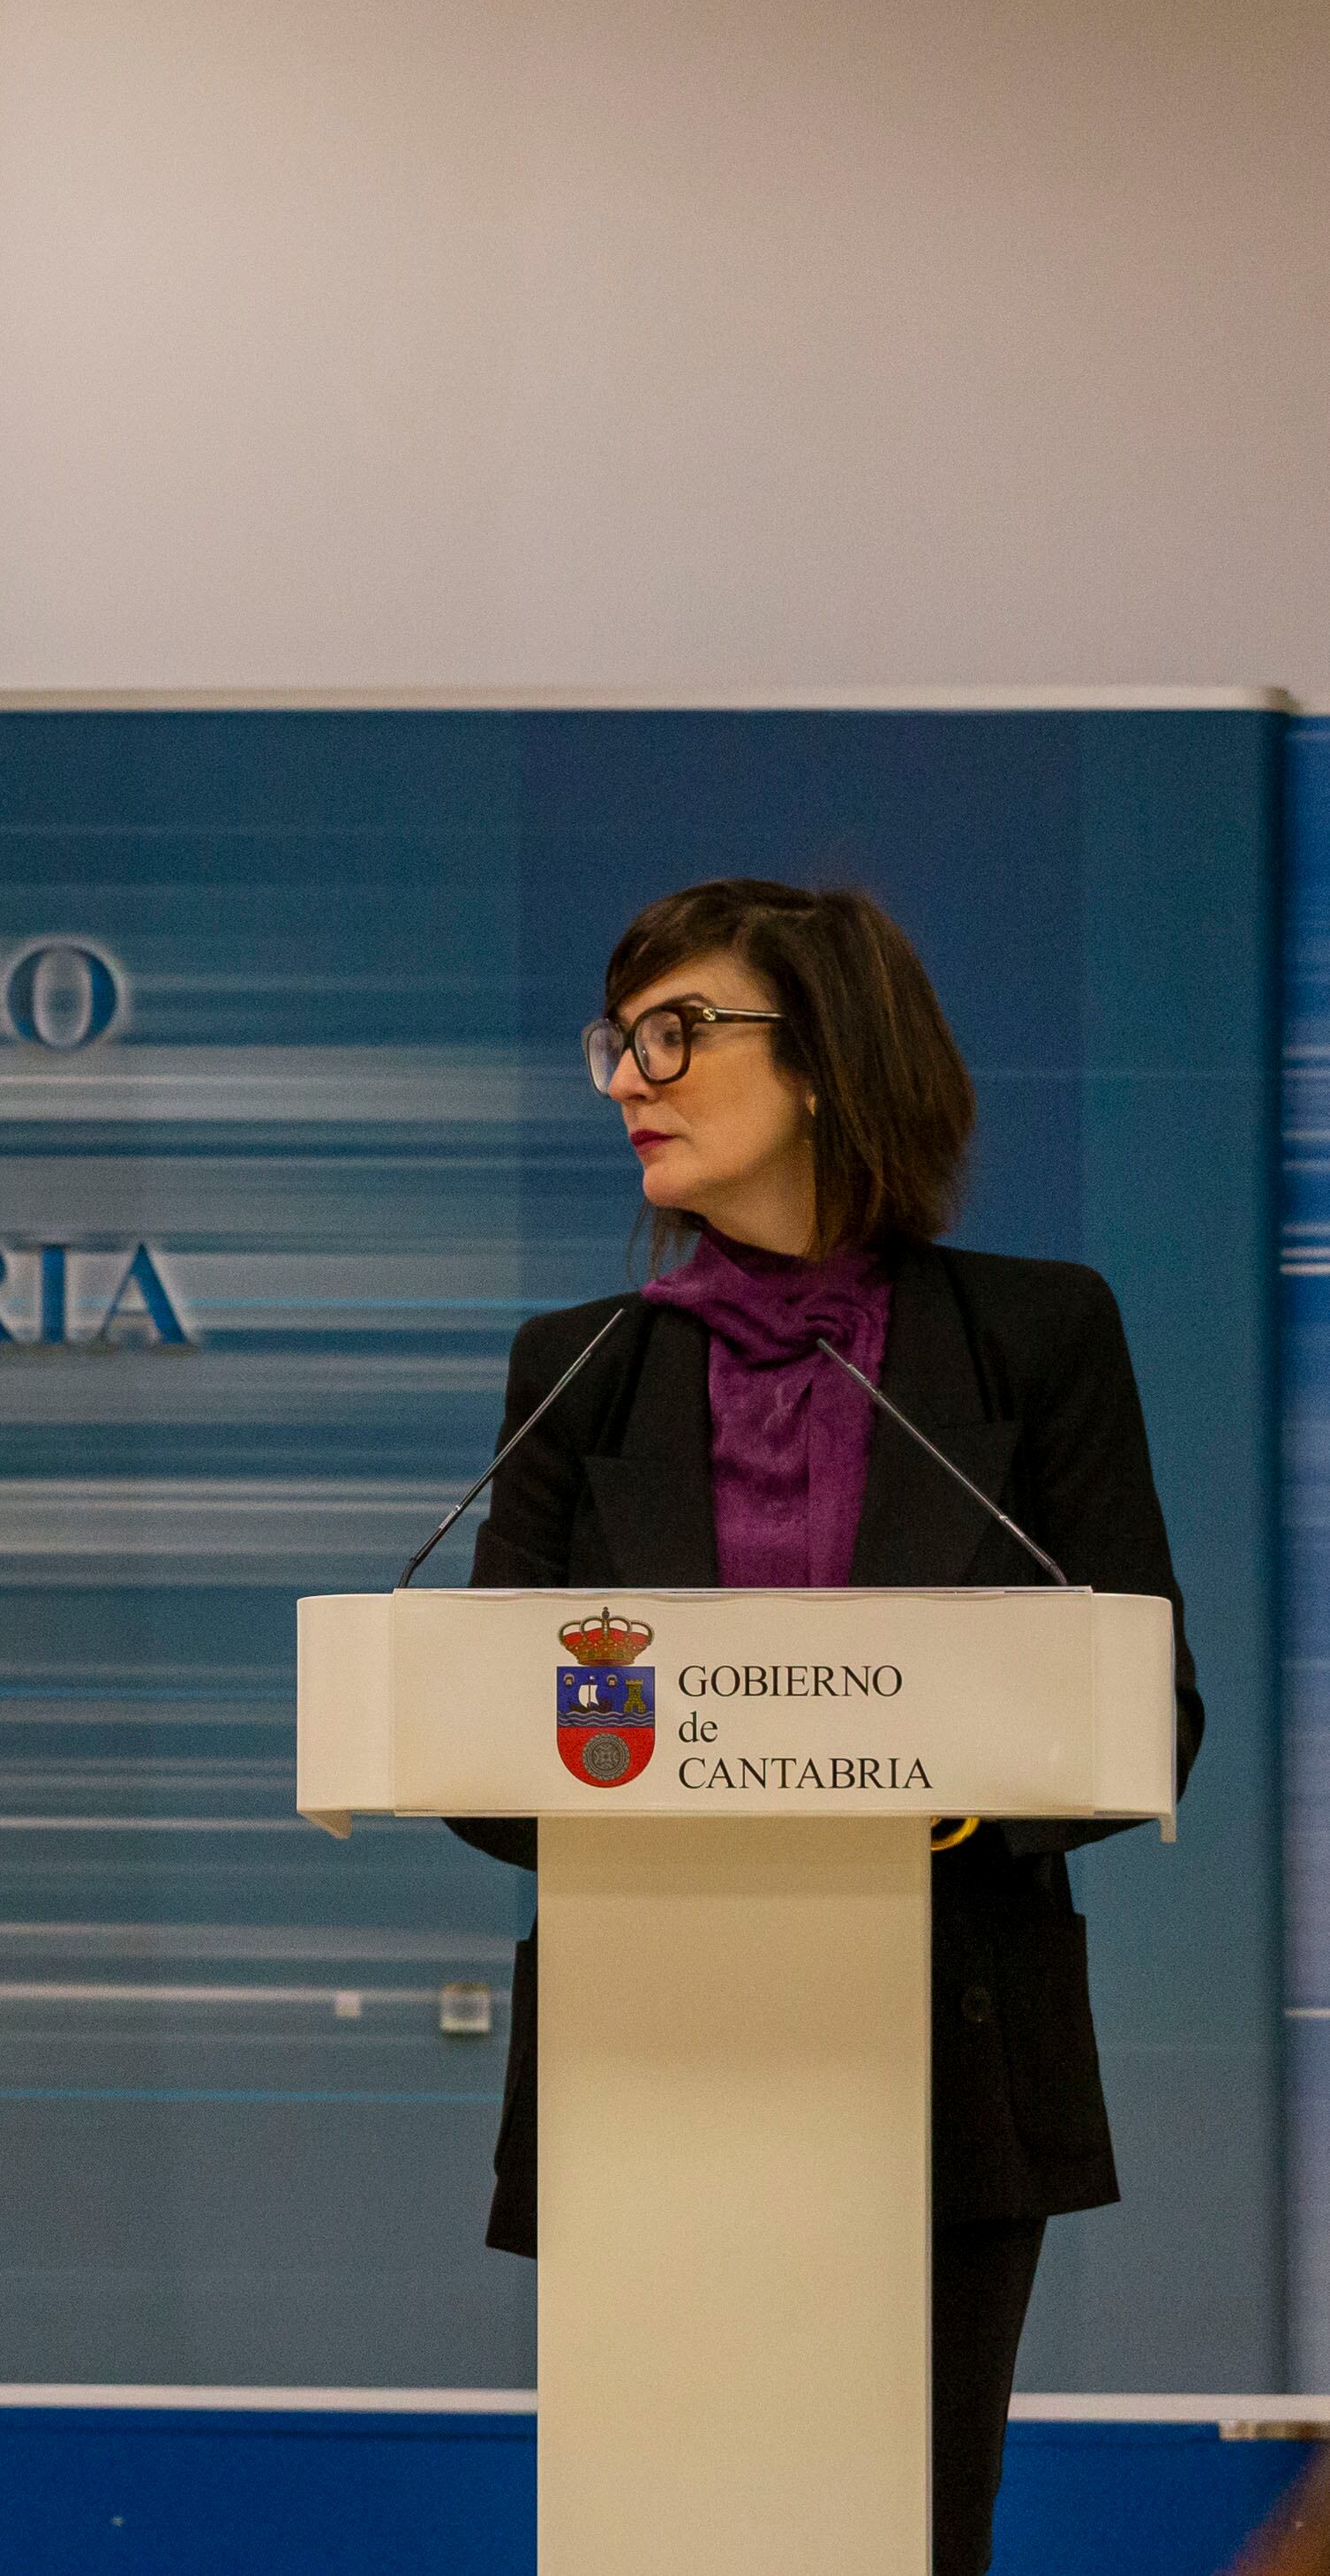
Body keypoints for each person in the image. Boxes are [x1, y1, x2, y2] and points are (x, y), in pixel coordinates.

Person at [457, 879, 1206, 2576]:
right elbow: (487, 1739)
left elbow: (1143, 1710)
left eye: (678, 1032)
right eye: (618, 1040)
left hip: (946, 2052)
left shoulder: (1035, 1337)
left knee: (903, 2539)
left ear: (825, 1063)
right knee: (658, 2535)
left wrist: (871, 1813)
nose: (631, 1078)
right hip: (646, 2051)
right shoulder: (577, 1369)